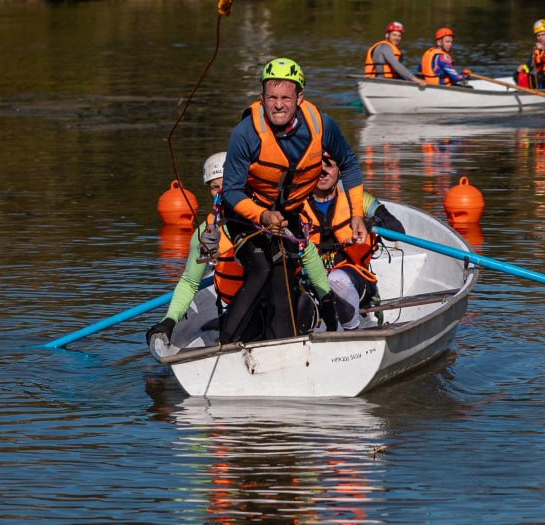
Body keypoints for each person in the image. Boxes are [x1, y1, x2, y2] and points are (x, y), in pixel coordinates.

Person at [217, 58, 368, 344]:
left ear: (299, 97)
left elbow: (348, 164)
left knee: (283, 284)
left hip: (288, 217)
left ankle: (282, 347)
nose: (278, 105)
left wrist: (357, 214)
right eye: (271, 97)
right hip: (245, 216)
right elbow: (231, 191)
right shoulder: (245, 134)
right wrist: (262, 216)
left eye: (286, 97)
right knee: (261, 269)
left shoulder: (322, 126)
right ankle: (223, 346)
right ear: (261, 98)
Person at [146, 151, 332, 354]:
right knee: (248, 326)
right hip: (243, 311)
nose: (221, 192)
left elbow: (310, 257)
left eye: (225, 185)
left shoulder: (272, 220)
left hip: (286, 306)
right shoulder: (206, 233)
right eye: (214, 187)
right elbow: (190, 282)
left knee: (298, 308)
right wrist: (169, 321)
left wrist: (327, 301)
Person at [300, 153, 406, 332]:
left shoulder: (360, 200)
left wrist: (371, 222)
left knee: (337, 280)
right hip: (310, 282)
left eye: (329, 166)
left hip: (354, 279)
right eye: (317, 166)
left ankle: (352, 334)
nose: (323, 172)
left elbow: (397, 231)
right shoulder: (295, 203)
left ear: (339, 171)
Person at [363, 21, 427, 85]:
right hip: (379, 82)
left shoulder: (392, 48)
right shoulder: (384, 47)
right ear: (387, 35)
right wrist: (416, 80)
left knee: (421, 77)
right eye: (394, 35)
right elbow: (396, 65)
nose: (397, 38)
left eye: (399, 36)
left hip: (389, 80)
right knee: (417, 78)